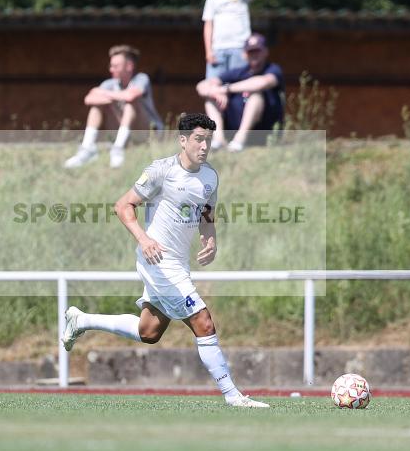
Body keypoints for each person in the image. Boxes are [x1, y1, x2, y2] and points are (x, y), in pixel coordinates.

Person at [61, 112, 269, 408]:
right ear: (183, 140)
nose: (204, 146)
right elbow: (123, 206)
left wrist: (210, 239)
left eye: (208, 140)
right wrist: (144, 240)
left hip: (178, 263)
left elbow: (207, 215)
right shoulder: (161, 171)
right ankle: (233, 396)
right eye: (198, 139)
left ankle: (81, 320)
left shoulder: (210, 176)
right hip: (158, 261)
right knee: (204, 322)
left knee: (149, 332)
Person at [64, 44, 164, 169]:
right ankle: (87, 148)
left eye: (115, 66)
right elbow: (88, 99)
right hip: (120, 130)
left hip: (146, 134)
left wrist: (104, 93)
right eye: (111, 65)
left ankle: (118, 148)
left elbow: (130, 97)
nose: (111, 69)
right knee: (97, 105)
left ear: (129, 66)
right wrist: (110, 97)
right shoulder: (109, 83)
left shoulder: (141, 78)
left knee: (131, 103)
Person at [196, 33, 284, 152]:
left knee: (256, 95)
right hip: (233, 128)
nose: (254, 55)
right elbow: (201, 86)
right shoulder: (238, 72)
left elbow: (262, 82)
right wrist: (216, 93)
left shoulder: (273, 69)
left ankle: (239, 140)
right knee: (210, 100)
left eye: (258, 51)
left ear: (265, 52)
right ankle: (219, 140)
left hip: (264, 132)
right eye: (251, 51)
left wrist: (226, 89)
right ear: (244, 54)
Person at [202, 0, 266, 81]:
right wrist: (209, 51)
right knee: (213, 86)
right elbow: (208, 25)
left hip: (240, 49)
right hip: (218, 49)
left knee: (239, 87)